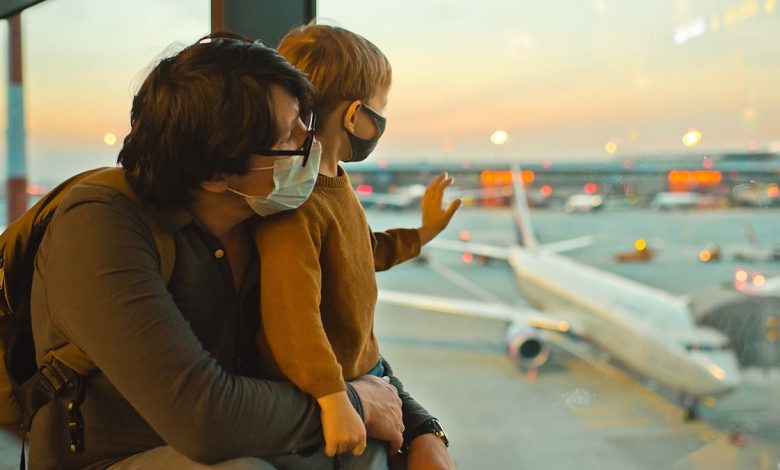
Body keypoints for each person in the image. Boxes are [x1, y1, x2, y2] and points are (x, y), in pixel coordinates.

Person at [28, 33, 437, 469]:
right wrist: (352, 404)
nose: (309, 139)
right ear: (216, 172)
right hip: (123, 456)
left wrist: (422, 430)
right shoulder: (100, 226)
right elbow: (203, 417)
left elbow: (343, 337)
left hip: (249, 436)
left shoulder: (264, 211)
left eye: (305, 119)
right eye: (288, 135)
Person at [252, 24, 459, 469]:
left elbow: (362, 252)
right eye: (380, 109)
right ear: (354, 116)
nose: (382, 121)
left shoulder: (335, 185)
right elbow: (292, 318)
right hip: (326, 397)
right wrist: (333, 397)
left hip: (363, 376)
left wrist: (422, 234)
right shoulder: (297, 206)